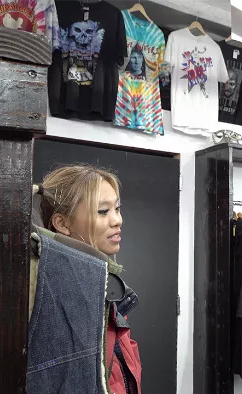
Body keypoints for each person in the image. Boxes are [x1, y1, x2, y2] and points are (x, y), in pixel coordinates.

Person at [36, 165, 142, 394]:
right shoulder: (58, 295)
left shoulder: (101, 287)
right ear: (63, 223)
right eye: (103, 211)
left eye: (117, 208)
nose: (117, 220)